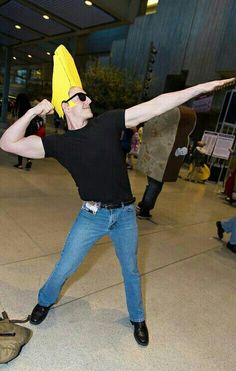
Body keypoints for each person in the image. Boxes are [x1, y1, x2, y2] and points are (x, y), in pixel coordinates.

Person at [0, 77, 234, 347]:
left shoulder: (108, 122)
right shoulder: (59, 144)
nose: (88, 100)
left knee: (131, 270)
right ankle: (43, 302)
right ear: (64, 106)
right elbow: (7, 143)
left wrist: (200, 89)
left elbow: (155, 106)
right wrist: (32, 111)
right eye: (81, 97)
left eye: (87, 96)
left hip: (124, 216)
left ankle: (137, 319)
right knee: (65, 266)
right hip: (91, 216)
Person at [136, 106, 196, 219]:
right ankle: (145, 209)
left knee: (151, 185)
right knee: (155, 186)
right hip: (162, 163)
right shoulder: (172, 135)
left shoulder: (162, 130)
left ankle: (143, 204)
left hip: (155, 160)